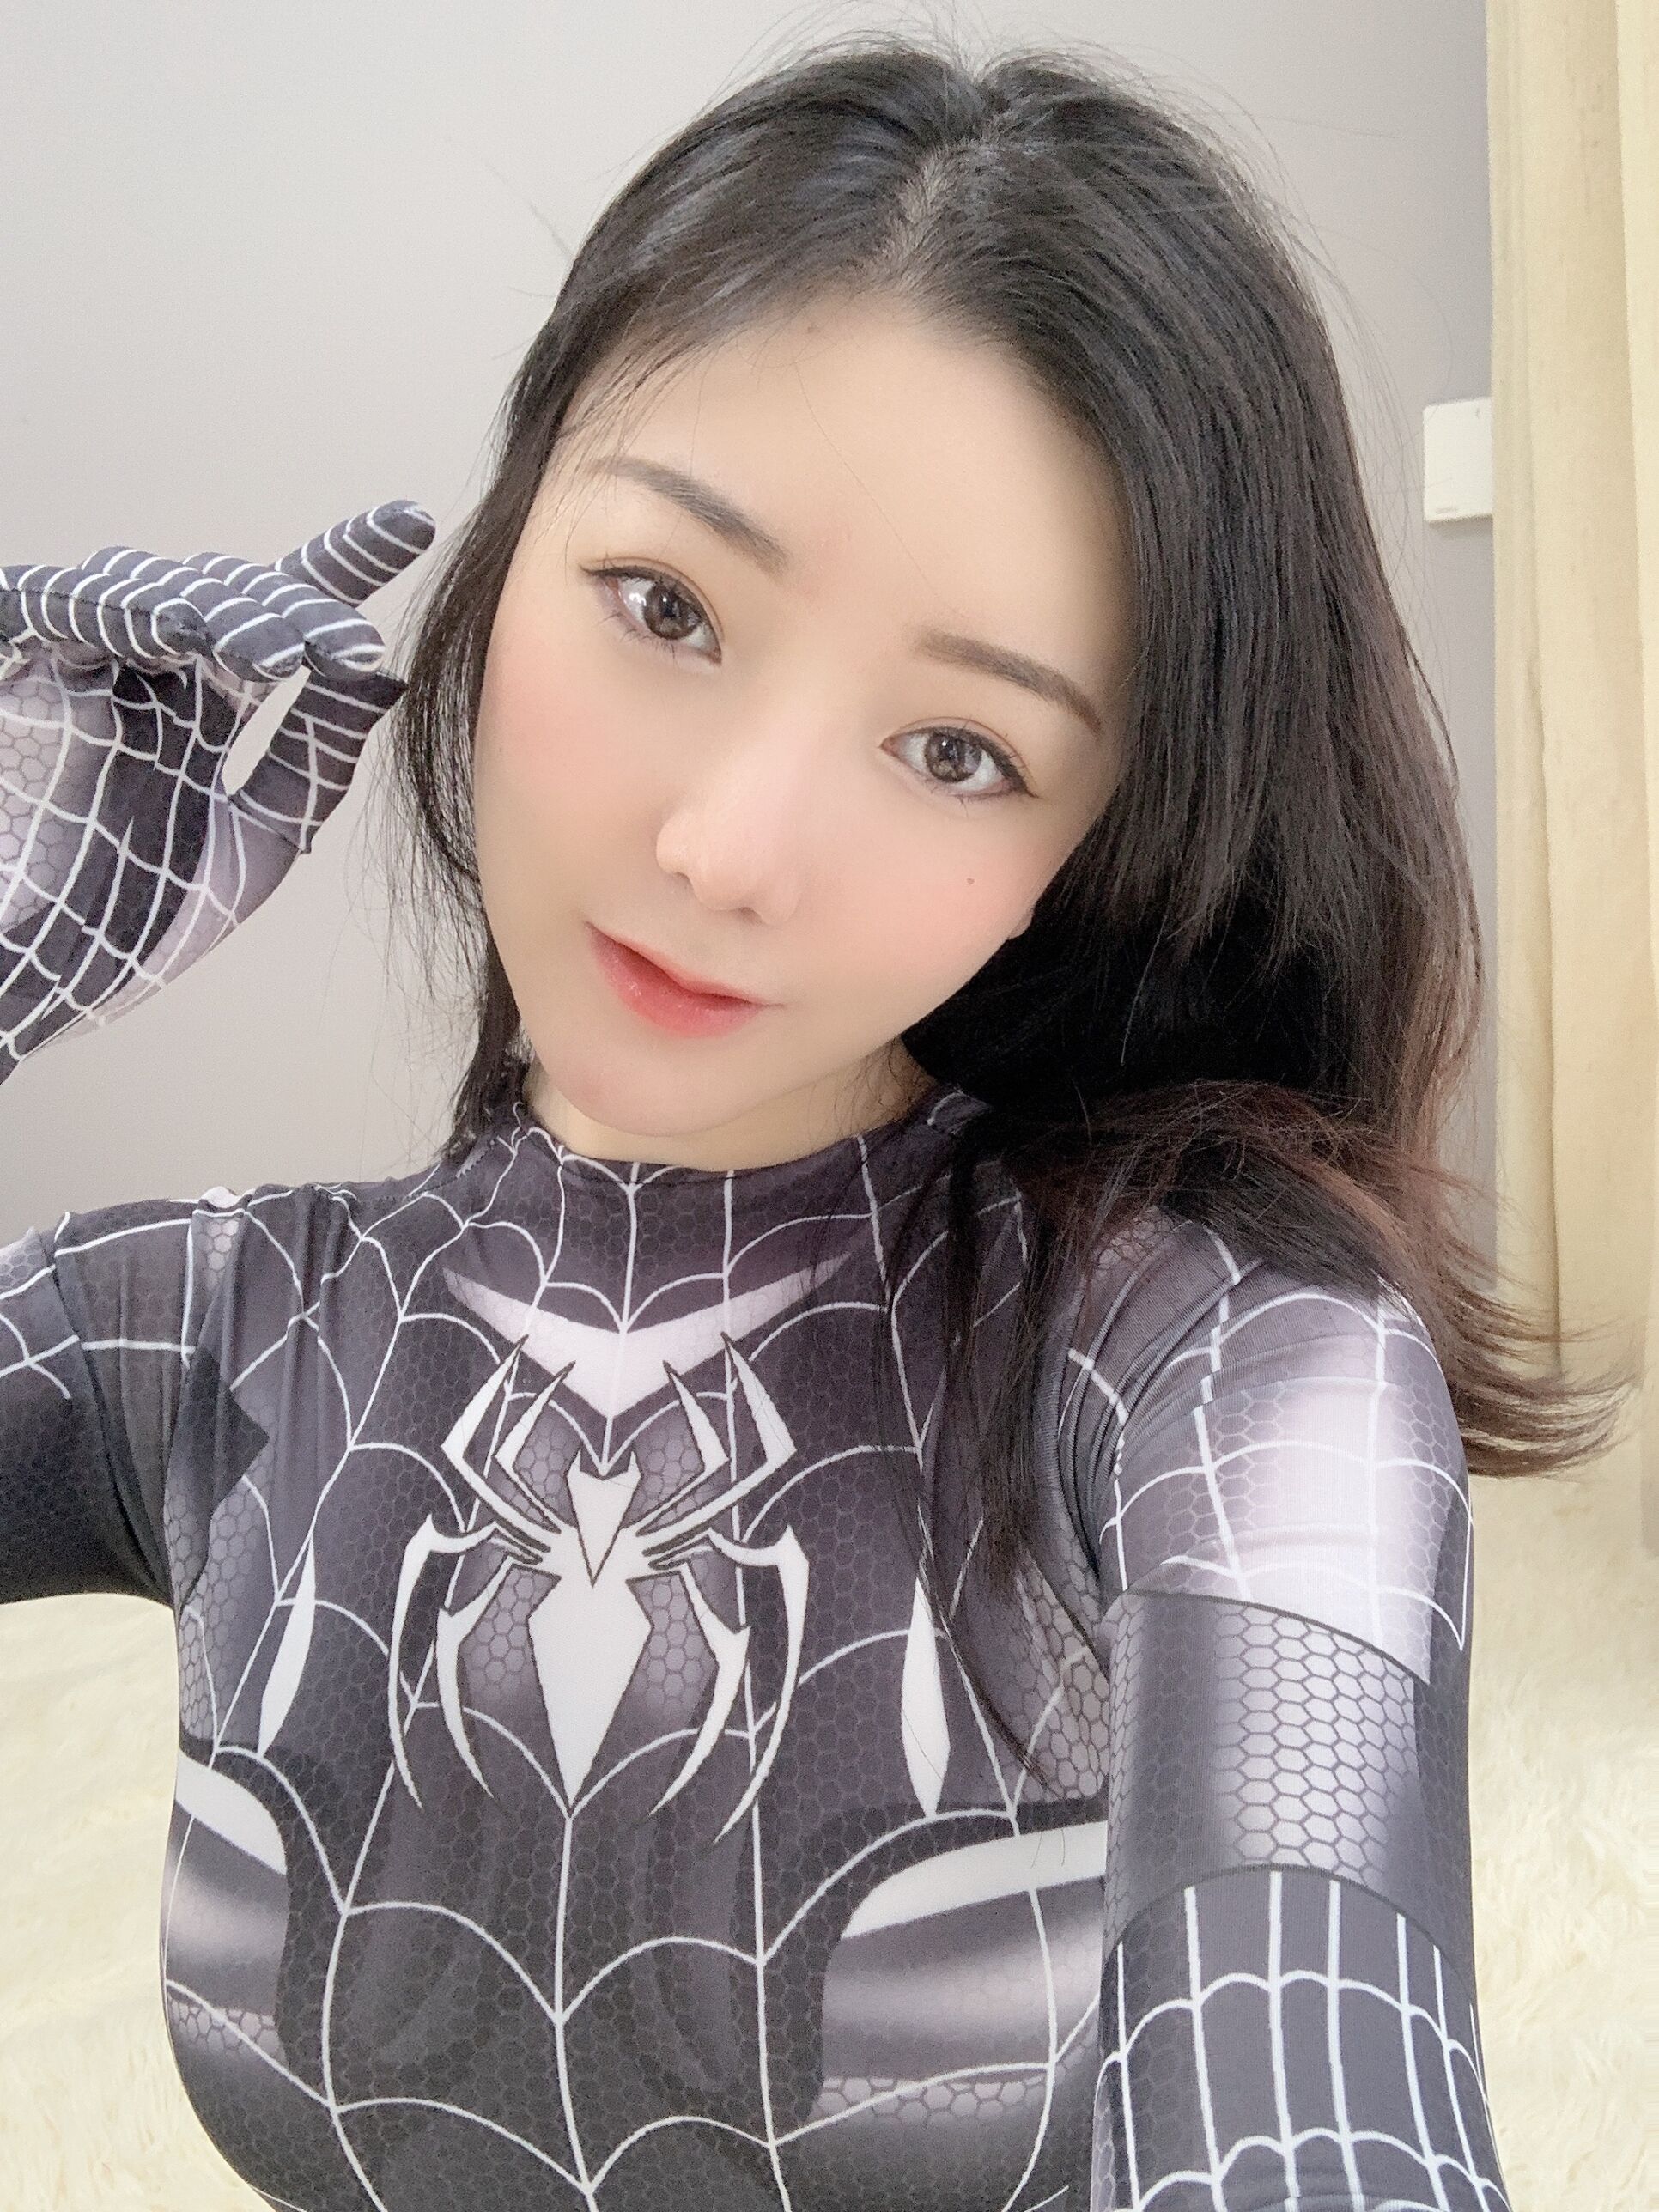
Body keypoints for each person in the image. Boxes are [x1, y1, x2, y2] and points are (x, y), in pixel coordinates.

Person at [0, 31, 1627, 2212]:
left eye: (958, 750)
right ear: (504, 548)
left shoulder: (1234, 1370)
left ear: (1095, 847)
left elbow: (1325, 2094)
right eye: (666, 607)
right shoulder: (217, 1325)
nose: (729, 848)